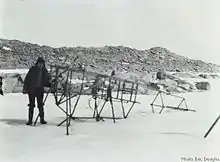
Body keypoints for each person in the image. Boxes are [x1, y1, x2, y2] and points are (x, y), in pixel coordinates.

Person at [22, 57, 51, 125]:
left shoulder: (44, 71)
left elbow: (47, 80)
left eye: (42, 64)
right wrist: (25, 88)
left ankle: (42, 119)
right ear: (37, 64)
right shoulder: (32, 70)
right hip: (32, 89)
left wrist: (50, 83)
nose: (41, 65)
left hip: (40, 89)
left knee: (40, 105)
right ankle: (30, 120)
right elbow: (27, 79)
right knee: (31, 105)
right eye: (39, 64)